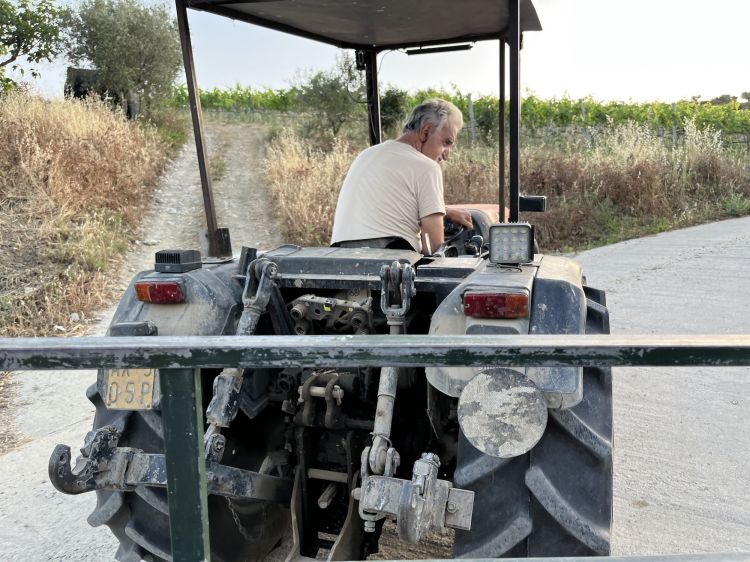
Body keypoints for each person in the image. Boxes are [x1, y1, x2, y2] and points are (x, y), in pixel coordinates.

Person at [331, 98, 473, 255]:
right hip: (389, 260)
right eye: (447, 142)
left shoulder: (367, 154)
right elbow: (434, 248)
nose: (447, 154)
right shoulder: (427, 167)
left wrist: (444, 211)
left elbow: (388, 202)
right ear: (426, 131)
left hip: (340, 256)